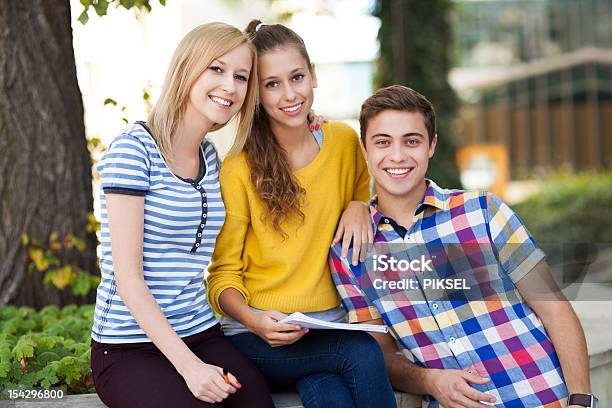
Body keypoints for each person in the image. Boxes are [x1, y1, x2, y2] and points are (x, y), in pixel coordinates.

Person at [330, 85, 595, 408]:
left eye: (411, 141)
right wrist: (430, 380)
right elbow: (379, 354)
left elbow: (554, 307)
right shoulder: (350, 253)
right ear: (364, 150)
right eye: (383, 142)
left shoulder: (482, 211)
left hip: (542, 397)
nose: (397, 156)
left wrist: (581, 401)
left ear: (432, 146)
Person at [206, 20, 396, 408]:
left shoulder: (343, 142)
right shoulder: (238, 169)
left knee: (328, 392)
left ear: (314, 76)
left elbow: (362, 193)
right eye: (272, 84)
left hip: (326, 327)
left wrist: (361, 205)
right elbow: (222, 275)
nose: (289, 94)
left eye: (296, 77)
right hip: (257, 335)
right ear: (255, 94)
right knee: (361, 352)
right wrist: (254, 320)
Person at [90, 22, 275, 408]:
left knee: (258, 403)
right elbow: (128, 278)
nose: (230, 86)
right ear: (187, 68)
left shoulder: (209, 156)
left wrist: (311, 126)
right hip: (128, 346)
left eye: (241, 77)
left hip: (200, 331)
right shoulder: (133, 150)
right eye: (217, 69)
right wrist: (191, 368)